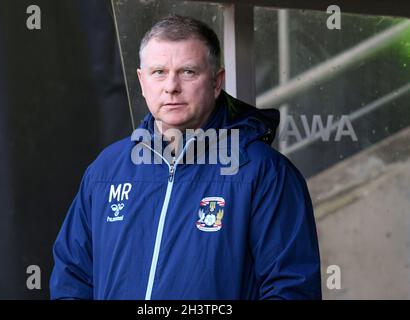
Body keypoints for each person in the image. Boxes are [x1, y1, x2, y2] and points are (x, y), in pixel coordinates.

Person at [50, 14, 322, 300]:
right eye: (158, 72)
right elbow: (72, 277)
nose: (171, 87)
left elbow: (292, 290)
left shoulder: (264, 173)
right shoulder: (107, 170)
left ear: (217, 82)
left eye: (188, 72)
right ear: (142, 82)